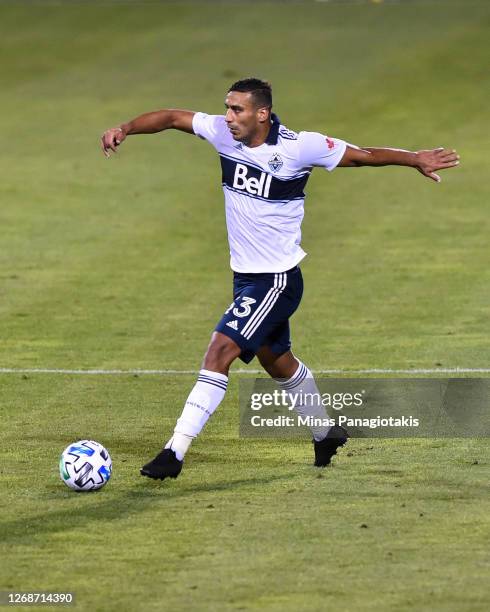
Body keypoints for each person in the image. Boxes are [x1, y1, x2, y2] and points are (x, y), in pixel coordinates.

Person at [101, 78, 459, 481]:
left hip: (275, 281)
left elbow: (362, 155)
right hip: (246, 279)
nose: (228, 116)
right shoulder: (223, 133)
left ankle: (174, 453)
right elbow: (170, 117)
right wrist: (126, 128)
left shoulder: (298, 147)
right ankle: (326, 433)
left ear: (262, 113)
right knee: (279, 363)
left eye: (237, 110)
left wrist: (415, 159)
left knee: (219, 352)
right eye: (227, 107)